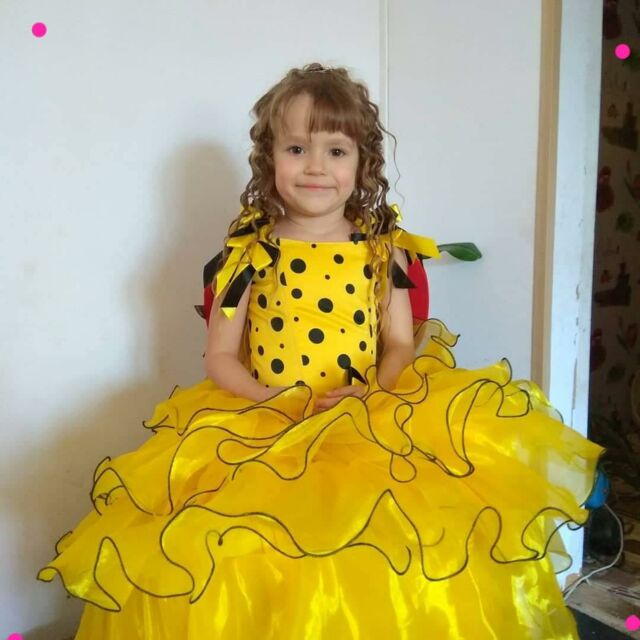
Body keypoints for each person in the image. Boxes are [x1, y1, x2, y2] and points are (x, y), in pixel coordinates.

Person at [38, 62, 604, 639]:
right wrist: (272, 399)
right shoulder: (247, 253)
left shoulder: (383, 250)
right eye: (296, 148)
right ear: (269, 158)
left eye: (335, 151)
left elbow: (400, 343)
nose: (315, 166)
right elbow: (220, 358)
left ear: (362, 163)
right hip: (265, 418)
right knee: (244, 550)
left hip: (366, 415)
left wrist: (373, 394)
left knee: (399, 544)